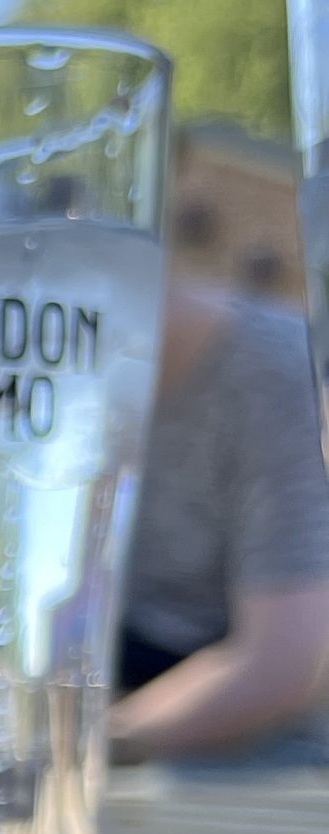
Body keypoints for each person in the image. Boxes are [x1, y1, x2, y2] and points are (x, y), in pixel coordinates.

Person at [109, 280, 329, 763]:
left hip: (253, 744)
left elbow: (281, 662)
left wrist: (92, 746)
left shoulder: (280, 372)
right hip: (114, 679)